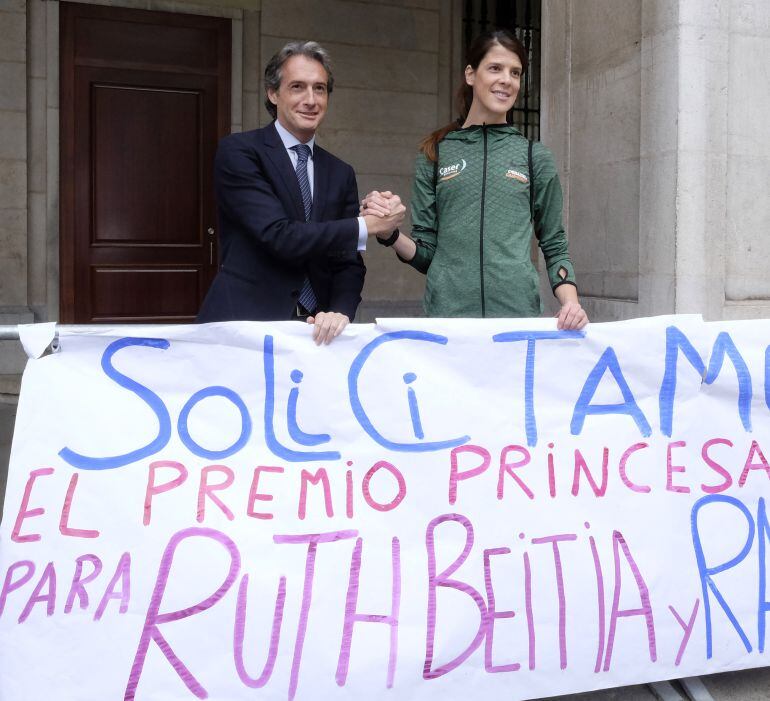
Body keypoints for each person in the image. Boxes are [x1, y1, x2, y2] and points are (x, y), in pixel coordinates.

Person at [362, 29, 588, 330]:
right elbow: (427, 255)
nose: (506, 80)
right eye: (495, 68)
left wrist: (570, 303)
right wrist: (389, 234)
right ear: (471, 74)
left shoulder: (535, 157)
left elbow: (554, 243)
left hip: (516, 320)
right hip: (449, 323)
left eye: (515, 72)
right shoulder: (435, 153)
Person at [197, 41, 405, 343]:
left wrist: (339, 311)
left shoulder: (340, 172)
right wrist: (367, 225)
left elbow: (348, 262)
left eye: (319, 89)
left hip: (318, 334)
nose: (311, 99)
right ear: (273, 93)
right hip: (244, 328)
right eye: (297, 87)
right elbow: (279, 235)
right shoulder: (239, 151)